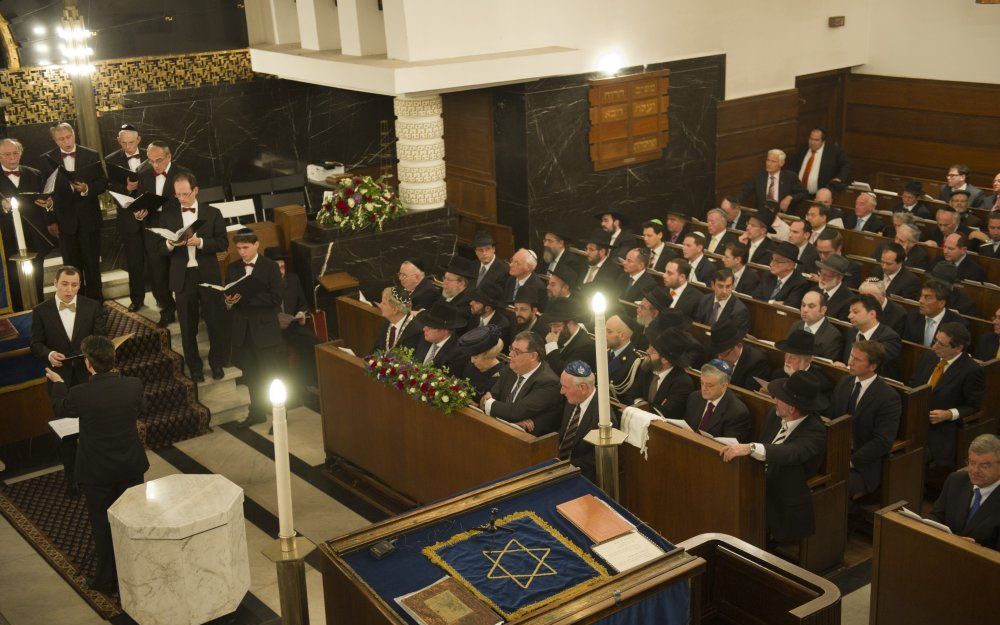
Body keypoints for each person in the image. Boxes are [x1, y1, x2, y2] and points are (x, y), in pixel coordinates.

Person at [45, 335, 148, 593]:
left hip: (97, 471)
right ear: (113, 359)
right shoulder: (133, 385)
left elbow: (60, 407)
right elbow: (141, 408)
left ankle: (106, 579)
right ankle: (139, 571)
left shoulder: (80, 394)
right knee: (133, 520)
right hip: (130, 466)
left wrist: (58, 383)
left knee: (102, 526)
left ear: (88, 364)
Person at [720, 372, 828, 544]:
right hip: (757, 480)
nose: (774, 399)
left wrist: (750, 447)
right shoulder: (774, 414)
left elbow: (790, 453)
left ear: (792, 408)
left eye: (779, 398)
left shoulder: (815, 431)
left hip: (781, 495)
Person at [30, 265, 107, 496]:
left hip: (88, 379)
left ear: (79, 286)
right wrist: (49, 354)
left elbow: (101, 340)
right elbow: (35, 344)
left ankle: (97, 474)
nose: (69, 290)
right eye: (65, 284)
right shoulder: (41, 311)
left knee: (93, 428)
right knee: (66, 434)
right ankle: (72, 480)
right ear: (54, 283)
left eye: (74, 285)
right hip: (59, 379)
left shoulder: (92, 307)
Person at [161, 173, 228, 383]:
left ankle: (217, 363)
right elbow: (159, 250)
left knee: (215, 322)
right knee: (187, 327)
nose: (182, 199)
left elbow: (222, 243)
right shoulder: (168, 215)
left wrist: (200, 242)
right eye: (178, 195)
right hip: (183, 277)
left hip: (207, 274)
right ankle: (195, 368)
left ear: (196, 190)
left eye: (185, 194)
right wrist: (171, 244)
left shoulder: (213, 213)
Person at [40, 122, 107, 300]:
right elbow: (45, 193)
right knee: (71, 268)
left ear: (74, 135)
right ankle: (77, 303)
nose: (66, 141)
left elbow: (102, 183)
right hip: (64, 222)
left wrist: (86, 188)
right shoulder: (48, 159)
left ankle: (96, 304)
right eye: (61, 139)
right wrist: (50, 219)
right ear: (55, 141)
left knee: (92, 266)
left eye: (68, 137)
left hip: (89, 220)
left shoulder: (90, 154)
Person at [225, 228, 283, 428]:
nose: (242, 252)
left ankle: (279, 417)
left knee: (272, 375)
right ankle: (256, 412)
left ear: (257, 244)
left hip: (265, 331)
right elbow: (228, 296)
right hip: (243, 331)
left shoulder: (270, 267)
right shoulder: (233, 268)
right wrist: (230, 300)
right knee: (251, 375)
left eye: (246, 247)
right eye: (239, 248)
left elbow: (276, 299)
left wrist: (247, 296)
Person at [826, 341, 900, 499]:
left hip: (862, 465)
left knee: (830, 490)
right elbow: (833, 419)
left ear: (872, 366)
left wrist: (850, 461)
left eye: (857, 360)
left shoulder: (888, 397)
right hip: (836, 452)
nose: (850, 362)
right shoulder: (845, 382)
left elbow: (882, 441)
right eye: (851, 356)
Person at [909, 322, 984, 470]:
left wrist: (949, 414)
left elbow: (974, 406)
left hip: (939, 429)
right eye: (936, 340)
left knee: (910, 458)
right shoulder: (930, 356)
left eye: (941, 344)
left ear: (958, 348)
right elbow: (913, 382)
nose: (934, 346)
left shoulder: (971, 370)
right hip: (915, 418)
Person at [138, 141, 192, 327]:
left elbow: (190, 201)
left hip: (178, 226)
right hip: (153, 228)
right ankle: (167, 309)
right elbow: (141, 200)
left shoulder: (183, 173)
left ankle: (189, 308)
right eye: (151, 161)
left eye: (159, 160)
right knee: (158, 271)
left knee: (181, 266)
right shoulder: (143, 174)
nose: (155, 165)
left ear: (169, 157)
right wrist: (140, 212)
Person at [0, 137, 51, 309]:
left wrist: (48, 204)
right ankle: (18, 314)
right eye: (7, 154)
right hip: (7, 238)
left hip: (34, 234)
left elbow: (46, 200)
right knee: (13, 280)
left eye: (15, 153)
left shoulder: (34, 174)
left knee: (37, 277)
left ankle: (39, 311)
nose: (12, 158)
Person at [481, 331, 562, 435]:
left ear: (533, 356)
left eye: (517, 351)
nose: (510, 354)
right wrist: (511, 421)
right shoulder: (511, 368)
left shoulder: (548, 382)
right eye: (511, 349)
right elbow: (493, 397)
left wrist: (488, 403)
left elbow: (514, 412)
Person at [928, 434, 1000, 549]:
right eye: (972, 463)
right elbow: (936, 515)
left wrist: (978, 548)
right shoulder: (956, 481)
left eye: (984, 466)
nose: (975, 470)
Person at [104, 124, 147, 312]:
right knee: (134, 261)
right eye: (124, 143)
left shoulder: (152, 154)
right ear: (119, 141)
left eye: (131, 142)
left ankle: (165, 298)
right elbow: (110, 187)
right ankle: (137, 299)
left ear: (139, 140)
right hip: (128, 218)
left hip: (152, 215)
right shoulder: (111, 160)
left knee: (157, 259)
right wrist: (127, 189)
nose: (128, 147)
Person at [266, 247, 321, 393]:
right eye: (277, 268)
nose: (281, 271)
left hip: (293, 326)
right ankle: (288, 391)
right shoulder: (264, 286)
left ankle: (311, 382)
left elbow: (303, 303)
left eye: (283, 267)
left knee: (315, 344)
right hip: (273, 330)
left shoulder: (293, 279)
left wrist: (301, 313)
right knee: (280, 352)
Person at [556, 360, 609, 482]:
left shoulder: (603, 416)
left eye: (565, 387)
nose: (561, 391)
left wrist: (564, 468)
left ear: (582, 388)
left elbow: (596, 458)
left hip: (583, 476)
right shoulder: (573, 398)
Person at [627, 327, 694, 418]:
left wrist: (641, 404)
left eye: (653, 350)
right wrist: (642, 404)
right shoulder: (647, 368)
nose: (647, 351)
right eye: (649, 347)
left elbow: (665, 413)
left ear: (665, 360)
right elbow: (632, 394)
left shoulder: (682, 383)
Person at [684, 359, 752, 442]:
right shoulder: (695, 397)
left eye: (710, 385)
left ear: (724, 386)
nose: (704, 388)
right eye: (702, 383)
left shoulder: (737, 413)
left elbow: (728, 448)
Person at [841, 294, 902, 381]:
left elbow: (875, 367)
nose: (849, 316)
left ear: (872, 314)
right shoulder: (851, 332)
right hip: (848, 380)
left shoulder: (890, 338)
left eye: (855, 312)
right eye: (849, 312)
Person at [709, 320, 770, 392]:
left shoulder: (758, 363)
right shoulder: (718, 353)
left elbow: (747, 395)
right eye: (718, 354)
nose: (719, 358)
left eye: (724, 355)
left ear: (738, 346)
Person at [740, 148, 808, 212]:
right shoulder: (758, 176)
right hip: (762, 215)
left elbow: (803, 193)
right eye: (768, 160)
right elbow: (744, 192)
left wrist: (790, 197)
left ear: (781, 163)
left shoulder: (790, 177)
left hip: (782, 215)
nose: (769, 164)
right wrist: (732, 203)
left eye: (773, 161)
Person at [902, 281, 967, 347]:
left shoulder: (958, 324)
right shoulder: (912, 316)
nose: (921, 301)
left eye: (927, 297)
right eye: (921, 296)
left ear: (941, 303)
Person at [787, 127, 851, 194]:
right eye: (811, 139)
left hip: (819, 195)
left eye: (816, 140)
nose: (812, 142)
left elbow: (846, 164)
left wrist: (839, 178)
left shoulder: (834, 152)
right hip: (797, 193)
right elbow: (793, 166)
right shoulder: (803, 148)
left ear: (823, 141)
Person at [413, 301, 468, 376]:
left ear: (445, 331)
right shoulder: (424, 339)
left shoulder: (458, 353)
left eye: (430, 327)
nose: (424, 329)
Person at [543, 297, 596, 373]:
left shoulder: (585, 346)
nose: (552, 330)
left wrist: (551, 347)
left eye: (557, 326)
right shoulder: (562, 338)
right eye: (551, 326)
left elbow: (565, 373)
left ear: (571, 323)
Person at [790, 290, 844, 361]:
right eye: (803, 305)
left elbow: (825, 367)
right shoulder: (796, 325)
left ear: (823, 310)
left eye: (811, 306)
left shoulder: (833, 336)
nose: (805, 310)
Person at [753, 241, 810, 308]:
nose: (771, 264)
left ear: (790, 265)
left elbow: (790, 306)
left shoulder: (800, 283)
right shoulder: (767, 275)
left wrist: (769, 302)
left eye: (777, 261)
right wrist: (774, 303)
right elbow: (756, 297)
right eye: (772, 259)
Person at [458, 325, 504, 400]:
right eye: (471, 356)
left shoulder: (500, 375)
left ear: (490, 355)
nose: (472, 361)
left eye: (476, 357)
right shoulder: (471, 366)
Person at [372, 286, 423, 352]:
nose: (380, 305)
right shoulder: (386, 322)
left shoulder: (414, 331)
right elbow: (376, 349)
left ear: (395, 310)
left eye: (384, 303)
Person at [606, 314, 641, 401]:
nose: (603, 334)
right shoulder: (605, 353)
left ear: (622, 336)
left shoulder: (635, 362)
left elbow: (629, 398)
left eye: (609, 331)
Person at [466, 282, 512, 348]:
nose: (471, 303)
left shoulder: (501, 327)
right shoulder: (473, 316)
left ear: (488, 308)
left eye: (477, 302)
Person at [814, 254, 853, 321]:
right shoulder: (814, 290)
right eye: (821, 273)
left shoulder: (848, 300)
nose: (822, 278)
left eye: (827, 275)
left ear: (839, 278)